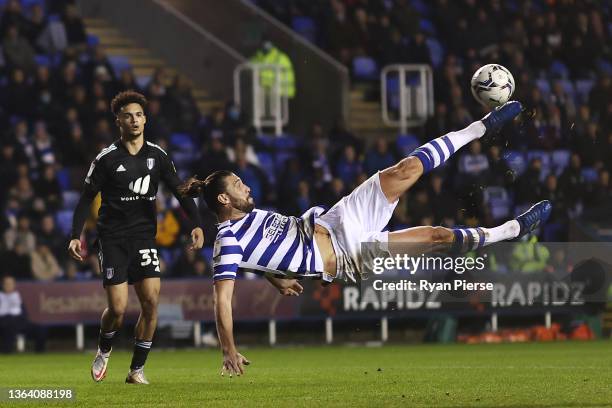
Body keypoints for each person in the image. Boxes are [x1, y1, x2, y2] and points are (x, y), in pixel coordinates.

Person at [178, 101, 553, 376]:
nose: (247, 186)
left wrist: (274, 277)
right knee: (435, 236)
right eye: (239, 186)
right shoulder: (227, 241)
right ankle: (512, 230)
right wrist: (228, 348)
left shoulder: (250, 215)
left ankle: (480, 127)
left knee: (406, 168)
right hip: (349, 256)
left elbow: (261, 253)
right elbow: (222, 300)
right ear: (225, 199)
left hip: (336, 218)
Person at [68, 91, 205, 384]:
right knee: (117, 308)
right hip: (112, 237)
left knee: (151, 303)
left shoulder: (158, 155)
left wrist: (196, 223)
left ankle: (136, 370)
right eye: (128, 115)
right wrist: (74, 235)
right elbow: (85, 199)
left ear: (146, 119)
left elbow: (179, 191)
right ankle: (104, 349)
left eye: (139, 115)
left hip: (143, 237)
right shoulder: (106, 159)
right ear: (118, 120)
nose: (134, 120)